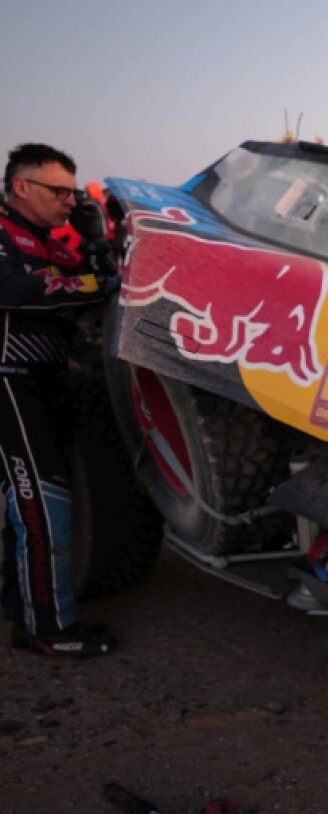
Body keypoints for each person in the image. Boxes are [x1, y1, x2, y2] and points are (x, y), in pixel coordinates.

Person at [1, 143, 118, 657]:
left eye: (73, 192)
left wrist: (96, 244)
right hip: (8, 379)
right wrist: (96, 280)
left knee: (28, 503)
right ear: (21, 186)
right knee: (44, 505)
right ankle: (49, 630)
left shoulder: (47, 238)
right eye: (58, 191)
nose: (69, 201)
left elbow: (92, 279)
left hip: (41, 379)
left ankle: (24, 606)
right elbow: (22, 291)